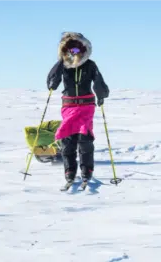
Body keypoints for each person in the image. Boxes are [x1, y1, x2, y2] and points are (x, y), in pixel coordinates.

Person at [46, 32, 109, 184]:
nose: (74, 53)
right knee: (68, 139)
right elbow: (52, 80)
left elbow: (98, 81)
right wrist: (60, 64)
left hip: (86, 105)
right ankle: (70, 170)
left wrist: (101, 94)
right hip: (68, 105)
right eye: (70, 50)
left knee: (84, 138)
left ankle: (86, 169)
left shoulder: (90, 65)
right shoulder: (63, 65)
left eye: (77, 50)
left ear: (83, 49)